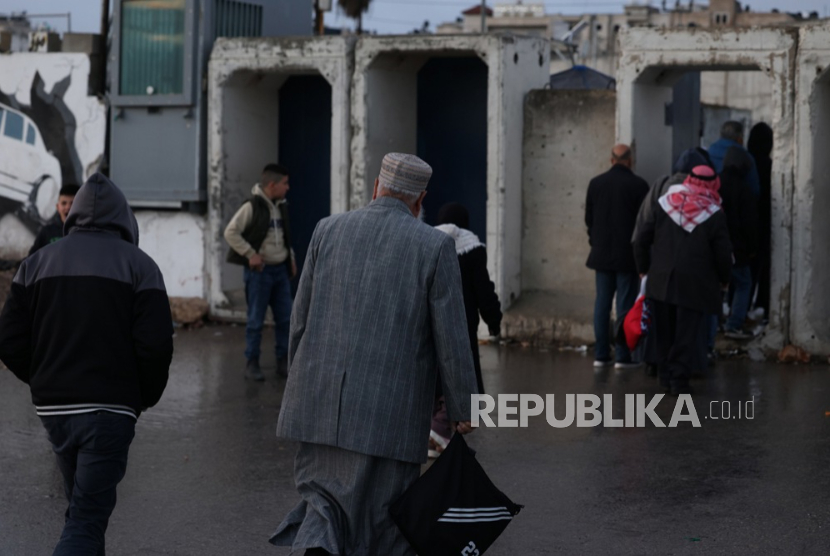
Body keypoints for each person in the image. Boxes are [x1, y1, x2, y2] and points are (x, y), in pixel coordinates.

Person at [271, 153, 478, 556]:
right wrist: (462, 407)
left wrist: (300, 386)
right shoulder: (434, 245)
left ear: (375, 189)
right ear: (420, 201)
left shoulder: (326, 230)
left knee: (323, 508)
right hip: (390, 416)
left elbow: (300, 321)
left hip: (317, 405)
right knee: (382, 519)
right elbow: (452, 338)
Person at [0, 173, 174, 555]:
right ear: (125, 218)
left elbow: (8, 340)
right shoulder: (141, 267)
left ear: (72, 214)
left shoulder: (36, 263)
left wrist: (45, 380)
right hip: (110, 411)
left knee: (81, 513)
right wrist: (140, 399)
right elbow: (156, 346)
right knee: (85, 521)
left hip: (55, 409)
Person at [633, 166, 733, 395]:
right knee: (685, 334)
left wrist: (643, 269)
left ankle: (665, 376)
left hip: (661, 279)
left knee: (664, 331)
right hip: (695, 284)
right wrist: (724, 280)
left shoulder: (665, 204)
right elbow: (723, 254)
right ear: (713, 184)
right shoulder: (714, 212)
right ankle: (679, 380)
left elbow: (640, 239)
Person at [429, 202, 502, 456]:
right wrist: (494, 320)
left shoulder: (429, 243)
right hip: (463, 322)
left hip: (432, 321)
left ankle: (437, 426)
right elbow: (484, 289)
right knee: (461, 370)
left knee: (434, 370)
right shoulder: (473, 249)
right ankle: (444, 429)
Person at [224, 163, 296, 381]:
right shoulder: (252, 206)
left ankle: (283, 361)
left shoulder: (281, 205)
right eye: (285, 183)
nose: (288, 187)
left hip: (280, 273)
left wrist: (290, 258)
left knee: (286, 319)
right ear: (272, 184)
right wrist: (250, 254)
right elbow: (230, 232)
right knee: (256, 320)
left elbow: (284, 236)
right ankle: (251, 363)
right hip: (260, 273)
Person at [585, 144, 649, 369]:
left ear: (611, 160)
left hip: (601, 255)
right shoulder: (639, 186)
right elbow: (644, 225)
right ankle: (623, 356)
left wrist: (596, 242)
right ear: (630, 161)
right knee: (624, 305)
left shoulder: (596, 183)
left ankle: (601, 355)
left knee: (602, 304)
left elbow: (589, 220)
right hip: (627, 256)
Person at [718, 147, 759, 340]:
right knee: (744, 284)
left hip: (717, 247)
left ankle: (715, 323)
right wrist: (752, 248)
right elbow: (751, 224)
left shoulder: (715, 184)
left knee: (717, 286)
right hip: (739, 249)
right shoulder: (745, 189)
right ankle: (734, 324)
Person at [747, 122, 773, 320]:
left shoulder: (744, 163)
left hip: (746, 223)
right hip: (765, 223)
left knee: (746, 268)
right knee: (764, 266)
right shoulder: (770, 166)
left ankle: (741, 306)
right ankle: (763, 303)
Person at [708, 120, 760, 196]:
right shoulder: (746, 157)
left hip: (712, 201)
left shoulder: (709, 152)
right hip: (737, 203)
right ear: (739, 138)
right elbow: (754, 189)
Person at [28, 183, 80, 255]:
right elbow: (31, 259)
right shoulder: (47, 232)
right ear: (58, 207)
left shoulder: (87, 233)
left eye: (73, 203)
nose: (68, 207)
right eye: (64, 203)